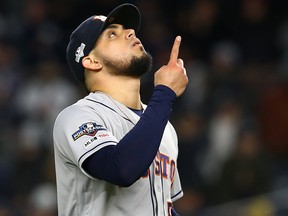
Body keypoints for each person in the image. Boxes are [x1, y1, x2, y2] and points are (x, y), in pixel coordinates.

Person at [53, 3, 188, 216]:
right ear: (91, 61)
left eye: (127, 29)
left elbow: (163, 208)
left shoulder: (165, 127)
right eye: (112, 35)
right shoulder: (77, 116)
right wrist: (164, 93)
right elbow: (120, 169)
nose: (130, 32)